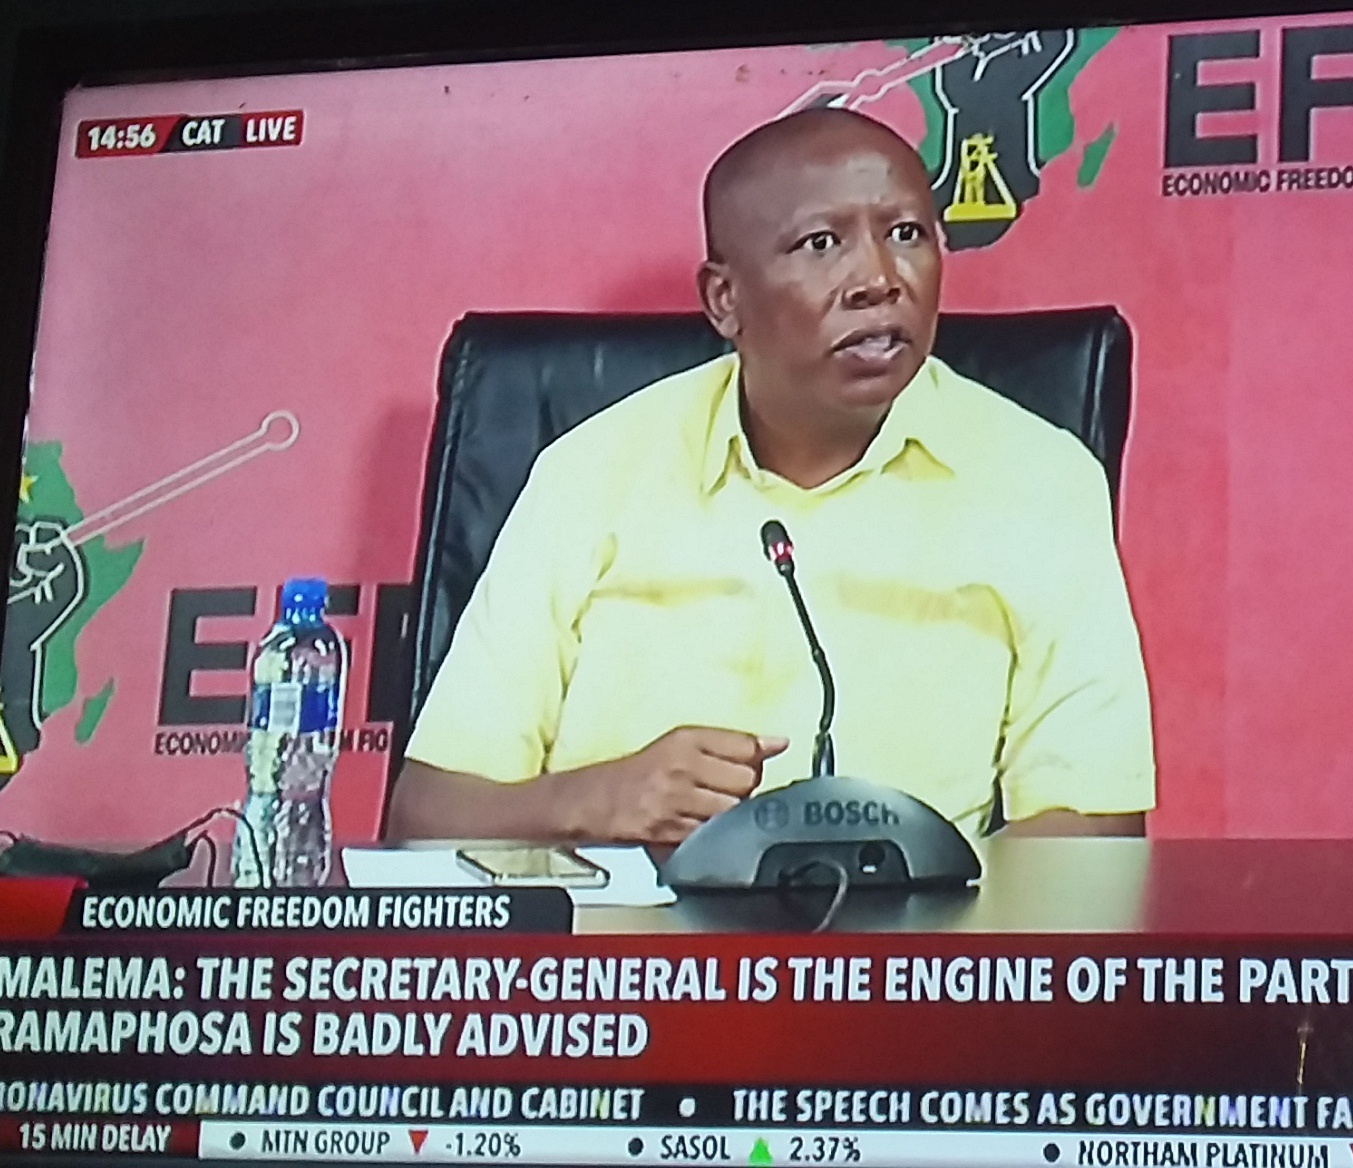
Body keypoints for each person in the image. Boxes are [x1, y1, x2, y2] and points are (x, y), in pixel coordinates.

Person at [386, 108, 1154, 845]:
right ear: (726, 300)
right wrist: (593, 800)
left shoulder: (1040, 481)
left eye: (908, 234)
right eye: (821, 243)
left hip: (916, 934)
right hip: (618, 933)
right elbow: (426, 814)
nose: (879, 279)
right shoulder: (591, 471)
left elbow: (1092, 831)